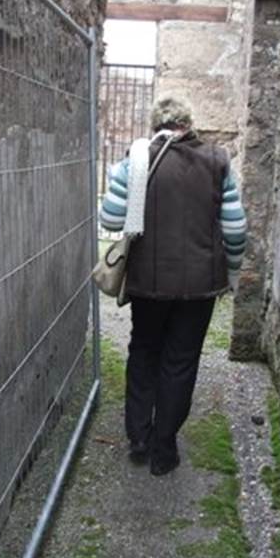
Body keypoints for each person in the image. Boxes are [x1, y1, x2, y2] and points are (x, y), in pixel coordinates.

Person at [99, 97, 247, 476]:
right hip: (200, 287)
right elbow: (235, 228)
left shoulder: (136, 160)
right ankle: (165, 448)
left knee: (144, 350)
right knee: (180, 361)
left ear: (156, 126)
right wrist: (231, 271)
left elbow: (110, 218)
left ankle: (138, 437)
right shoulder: (217, 161)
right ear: (189, 124)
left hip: (148, 283)